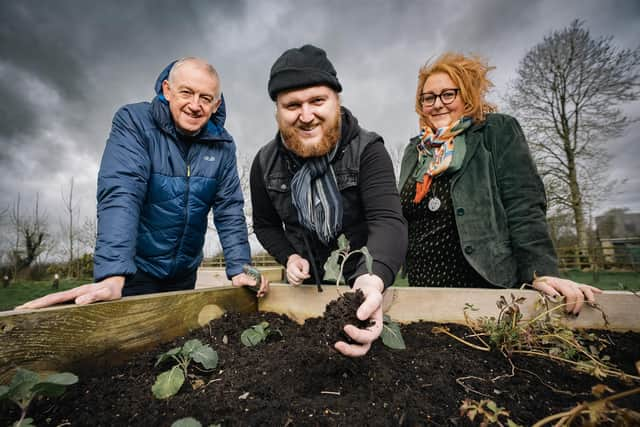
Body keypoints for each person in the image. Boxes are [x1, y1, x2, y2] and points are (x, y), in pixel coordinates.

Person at [17, 57, 268, 309]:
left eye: (205, 98)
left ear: (216, 105)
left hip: (184, 272)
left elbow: (229, 208)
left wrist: (239, 267)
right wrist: (113, 273)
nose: (195, 105)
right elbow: (122, 192)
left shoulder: (222, 145)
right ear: (167, 90)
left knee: (177, 341)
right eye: (186, 92)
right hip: (134, 271)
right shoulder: (134, 122)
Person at [398, 52, 600, 314]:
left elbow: (524, 204)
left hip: (484, 285)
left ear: (468, 95)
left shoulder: (496, 131)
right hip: (423, 286)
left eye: (448, 94)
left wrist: (541, 271)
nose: (437, 104)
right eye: (429, 97)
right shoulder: (416, 150)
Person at [250, 44, 407, 357]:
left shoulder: (368, 150)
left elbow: (387, 220)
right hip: (302, 296)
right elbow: (265, 225)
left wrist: (371, 282)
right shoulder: (265, 163)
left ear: (337, 101)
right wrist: (289, 257)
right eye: (292, 105)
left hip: (360, 286)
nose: (306, 116)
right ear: (277, 110)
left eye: (317, 100)